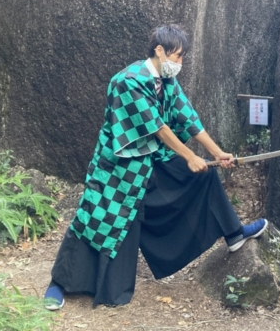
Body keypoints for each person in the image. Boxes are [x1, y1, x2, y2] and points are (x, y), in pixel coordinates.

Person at [44, 24, 267, 310]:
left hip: (152, 160)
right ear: (159, 50)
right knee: (96, 220)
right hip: (118, 168)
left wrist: (217, 153)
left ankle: (233, 233)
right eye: (177, 57)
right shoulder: (128, 80)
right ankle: (60, 283)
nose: (180, 64)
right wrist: (189, 155)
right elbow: (158, 127)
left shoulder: (167, 81)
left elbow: (188, 117)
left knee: (204, 176)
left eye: (183, 58)